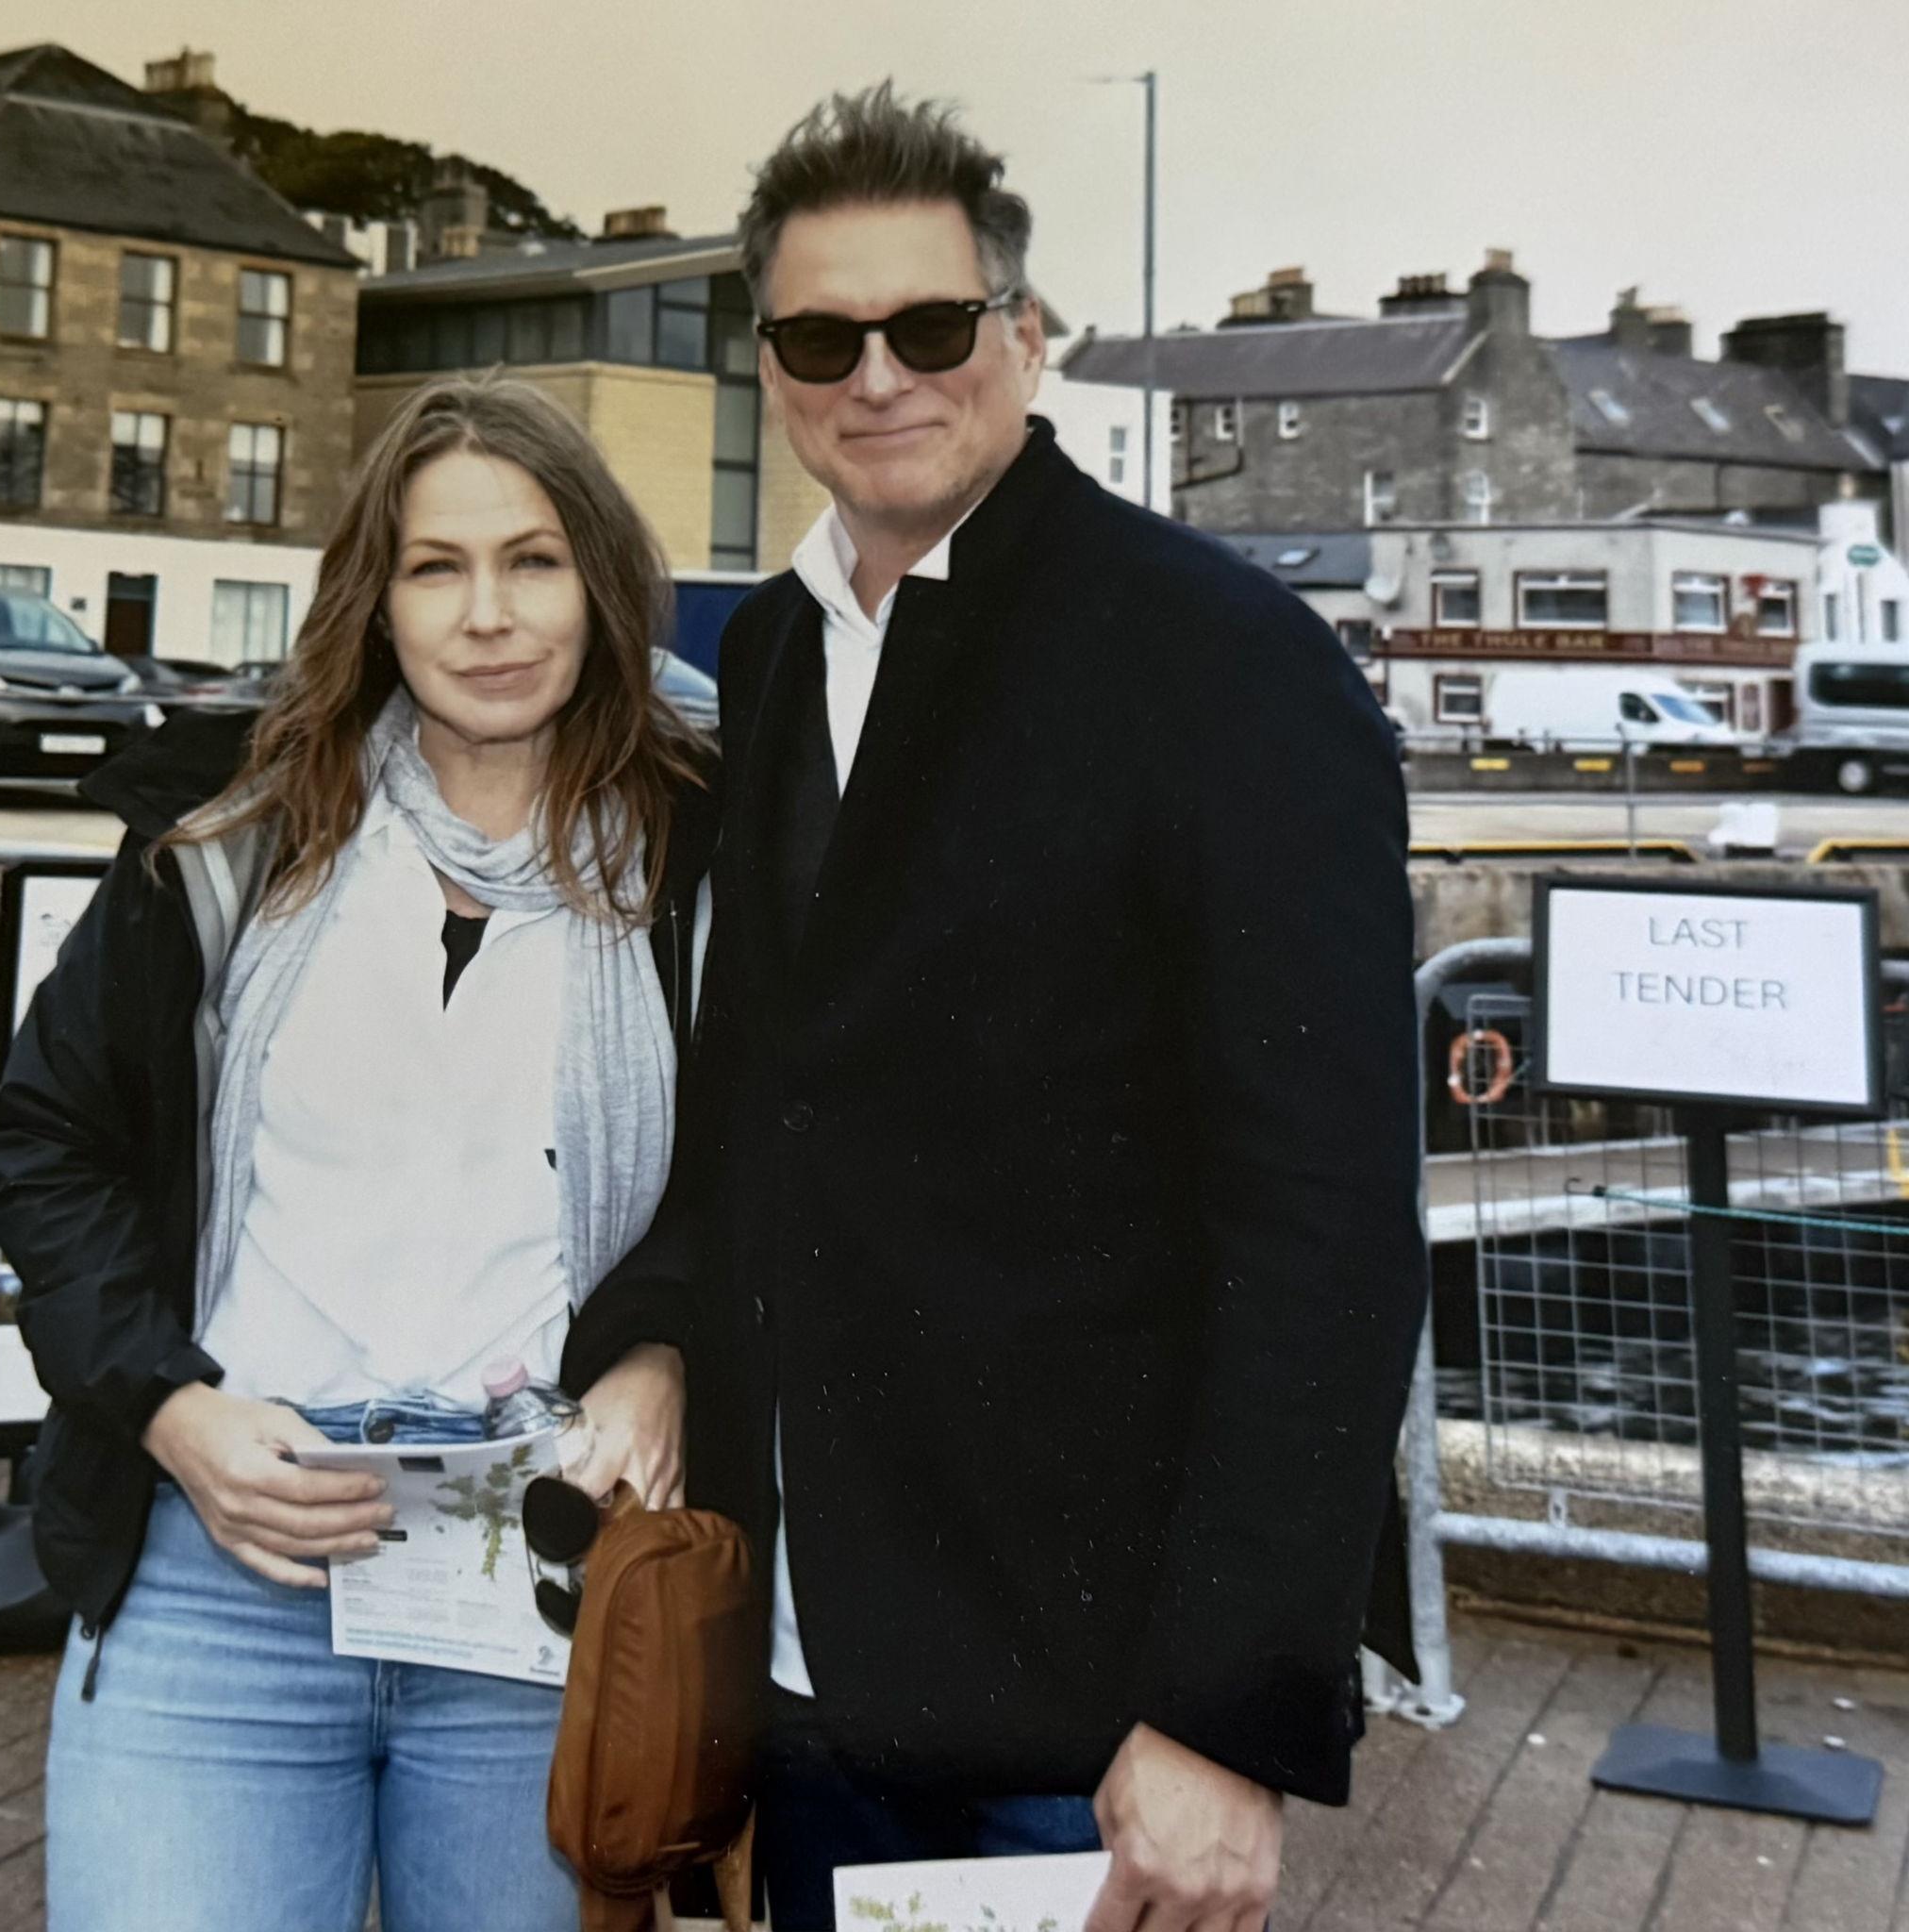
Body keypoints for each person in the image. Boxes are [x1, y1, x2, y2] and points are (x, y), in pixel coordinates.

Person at [674, 86, 1429, 1932]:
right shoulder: (773, 651)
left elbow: (1327, 1230)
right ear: (767, 363)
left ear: (1027, 336)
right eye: (819, 335)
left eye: (932, 327)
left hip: (1079, 1704)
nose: (879, 376)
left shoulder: (1226, 665)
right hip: (803, 1652)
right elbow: (776, 1103)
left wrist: (1223, 1709)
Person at [0, 375, 711, 1932]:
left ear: (603, 577)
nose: (489, 615)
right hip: (223, 1568)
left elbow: (771, 1177)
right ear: (374, 603)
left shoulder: (698, 855)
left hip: (539, 1587)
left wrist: (664, 1353)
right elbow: (45, 1139)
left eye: (534, 560)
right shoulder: (243, 830)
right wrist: (169, 1408)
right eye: (436, 568)